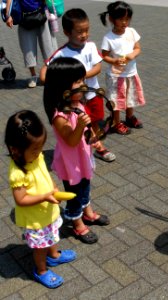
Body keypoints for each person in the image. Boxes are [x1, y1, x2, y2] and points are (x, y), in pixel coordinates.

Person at [5, 110, 77, 289]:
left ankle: (53, 256)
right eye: (35, 150)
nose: (39, 153)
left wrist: (53, 187)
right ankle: (41, 270)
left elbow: (44, 173)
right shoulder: (17, 173)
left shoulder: (36, 157)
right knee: (40, 247)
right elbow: (21, 199)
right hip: (36, 219)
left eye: (40, 148)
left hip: (48, 211)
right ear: (15, 150)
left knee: (53, 235)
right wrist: (44, 196)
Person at [43, 57, 110, 244]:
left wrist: (94, 140)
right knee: (74, 195)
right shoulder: (60, 116)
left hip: (83, 157)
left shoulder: (78, 104)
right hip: (71, 162)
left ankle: (88, 213)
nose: (83, 85)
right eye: (78, 81)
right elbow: (71, 141)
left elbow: (85, 133)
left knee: (85, 188)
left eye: (83, 80)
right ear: (63, 87)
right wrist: (80, 127)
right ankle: (78, 223)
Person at [40, 8, 116, 163]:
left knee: (94, 121)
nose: (84, 35)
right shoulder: (61, 53)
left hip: (92, 94)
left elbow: (98, 67)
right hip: (75, 99)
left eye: (87, 30)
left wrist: (81, 76)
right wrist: (55, 82)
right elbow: (44, 72)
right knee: (79, 123)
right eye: (80, 31)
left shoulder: (90, 46)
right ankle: (91, 146)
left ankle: (94, 143)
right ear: (67, 32)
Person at [99, 1, 145, 135]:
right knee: (116, 100)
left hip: (131, 73)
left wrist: (131, 55)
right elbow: (104, 56)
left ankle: (130, 117)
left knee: (130, 96)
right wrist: (114, 60)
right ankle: (115, 122)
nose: (125, 22)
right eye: (121, 19)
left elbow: (138, 48)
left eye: (127, 19)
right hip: (116, 76)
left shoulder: (131, 32)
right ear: (112, 19)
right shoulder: (108, 37)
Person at [4, 0, 57, 88]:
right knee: (28, 48)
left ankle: (49, 72)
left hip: (42, 14)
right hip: (25, 19)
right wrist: (8, 15)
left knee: (48, 47)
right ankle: (33, 76)